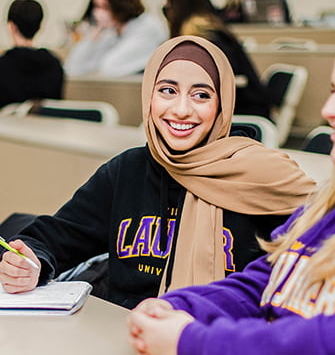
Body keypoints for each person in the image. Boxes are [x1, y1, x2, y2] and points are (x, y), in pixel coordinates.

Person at [0, 35, 315, 310]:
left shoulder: (261, 177)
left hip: (218, 340)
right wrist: (32, 261)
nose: (181, 110)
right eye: (167, 90)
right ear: (149, 97)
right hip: (123, 334)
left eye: (201, 95)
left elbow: (318, 258)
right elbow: (58, 237)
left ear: (222, 105)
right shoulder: (127, 171)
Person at [128, 28, 335, 355]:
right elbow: (267, 279)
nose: (328, 109)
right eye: (332, 90)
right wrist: (177, 306)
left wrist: (191, 342)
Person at [163, 0, 272, 118]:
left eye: (168, 4)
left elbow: (230, 72)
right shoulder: (209, 28)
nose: (166, 9)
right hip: (243, 103)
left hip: (244, 109)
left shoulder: (207, 37)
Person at [64, 0, 168, 77]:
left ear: (121, 5)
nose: (98, 13)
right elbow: (72, 68)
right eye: (96, 6)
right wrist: (92, 38)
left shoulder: (147, 27)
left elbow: (110, 68)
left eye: (105, 7)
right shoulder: (112, 32)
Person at [0, 0, 64, 109]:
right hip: (47, 126)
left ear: (11, 26)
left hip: (8, 126)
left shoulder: (3, 65)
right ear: (40, 27)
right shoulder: (55, 65)